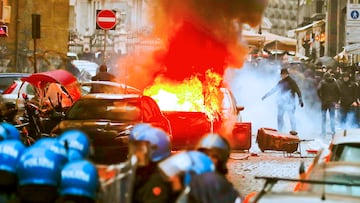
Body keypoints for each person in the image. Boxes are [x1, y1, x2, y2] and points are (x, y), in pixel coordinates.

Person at [129, 125, 173, 203]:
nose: (136, 154)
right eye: (135, 148)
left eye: (140, 149)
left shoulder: (157, 180)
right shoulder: (142, 172)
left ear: (155, 149)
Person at [261, 68, 304, 132]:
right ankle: (280, 130)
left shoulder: (292, 82)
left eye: (282, 74)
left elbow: (298, 91)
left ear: (285, 74)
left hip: (290, 102)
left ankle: (294, 130)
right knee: (280, 117)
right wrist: (266, 95)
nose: (281, 76)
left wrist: (300, 99)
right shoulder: (281, 82)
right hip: (281, 102)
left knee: (291, 116)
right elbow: (274, 89)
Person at [317, 72, 340, 136]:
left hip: (324, 102)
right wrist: (336, 100)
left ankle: (323, 132)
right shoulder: (335, 82)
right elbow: (339, 91)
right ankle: (333, 131)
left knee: (323, 117)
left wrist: (320, 98)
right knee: (332, 117)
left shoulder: (322, 82)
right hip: (332, 102)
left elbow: (318, 90)